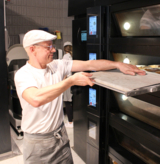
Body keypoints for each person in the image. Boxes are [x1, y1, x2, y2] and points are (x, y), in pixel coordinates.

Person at [14, 30, 145, 164]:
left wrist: (117, 64)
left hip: (60, 136)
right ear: (32, 49)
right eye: (48, 47)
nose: (53, 50)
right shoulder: (23, 74)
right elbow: (35, 99)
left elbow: (90, 64)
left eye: (52, 46)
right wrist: (70, 81)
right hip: (38, 143)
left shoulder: (57, 65)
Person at [62, 41, 73, 128]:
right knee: (73, 101)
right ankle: (75, 120)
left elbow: (64, 70)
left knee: (67, 101)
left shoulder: (65, 56)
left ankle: (70, 122)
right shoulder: (73, 56)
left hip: (68, 81)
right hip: (74, 80)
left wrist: (62, 81)